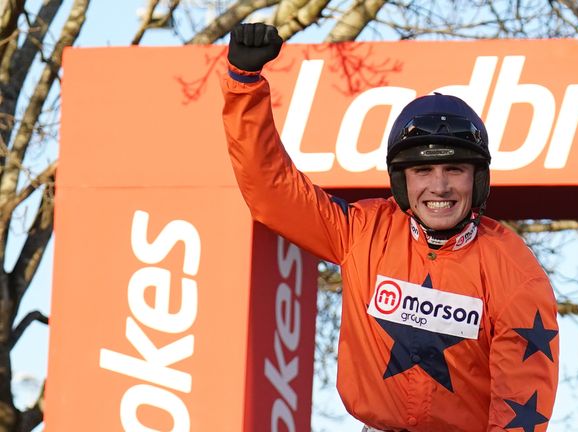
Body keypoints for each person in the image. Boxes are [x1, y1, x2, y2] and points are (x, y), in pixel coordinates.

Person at [222, 23, 559, 432]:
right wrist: (244, 85)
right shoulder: (361, 232)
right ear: (401, 181)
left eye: (454, 168)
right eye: (422, 171)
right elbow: (271, 191)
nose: (439, 187)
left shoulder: (516, 273)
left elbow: (520, 409)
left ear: (478, 180)